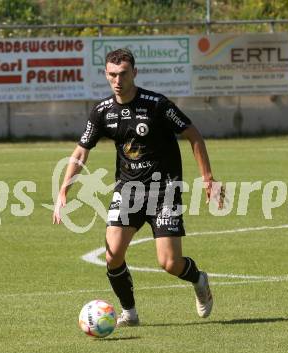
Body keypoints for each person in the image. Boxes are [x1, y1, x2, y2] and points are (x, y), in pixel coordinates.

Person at [53, 48, 223, 327]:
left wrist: (208, 178)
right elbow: (81, 151)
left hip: (164, 190)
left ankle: (199, 279)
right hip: (128, 191)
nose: (117, 80)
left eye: (122, 74)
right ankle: (129, 313)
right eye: (111, 75)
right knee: (113, 255)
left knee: (169, 263)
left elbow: (193, 134)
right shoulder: (102, 112)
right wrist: (63, 191)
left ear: (134, 73)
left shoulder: (157, 105)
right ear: (105, 75)